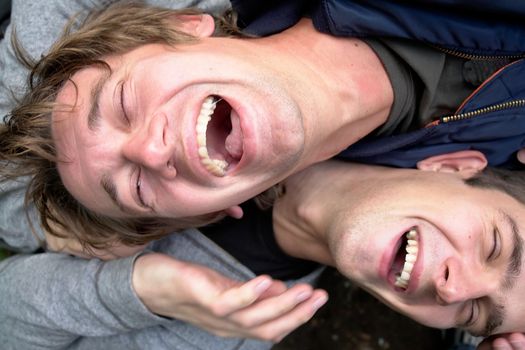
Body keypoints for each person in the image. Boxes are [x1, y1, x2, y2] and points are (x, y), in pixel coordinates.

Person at [1, 1, 525, 349]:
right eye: (496, 245)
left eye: (469, 314)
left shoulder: (232, 322)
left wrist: (137, 289)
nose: (151, 149)